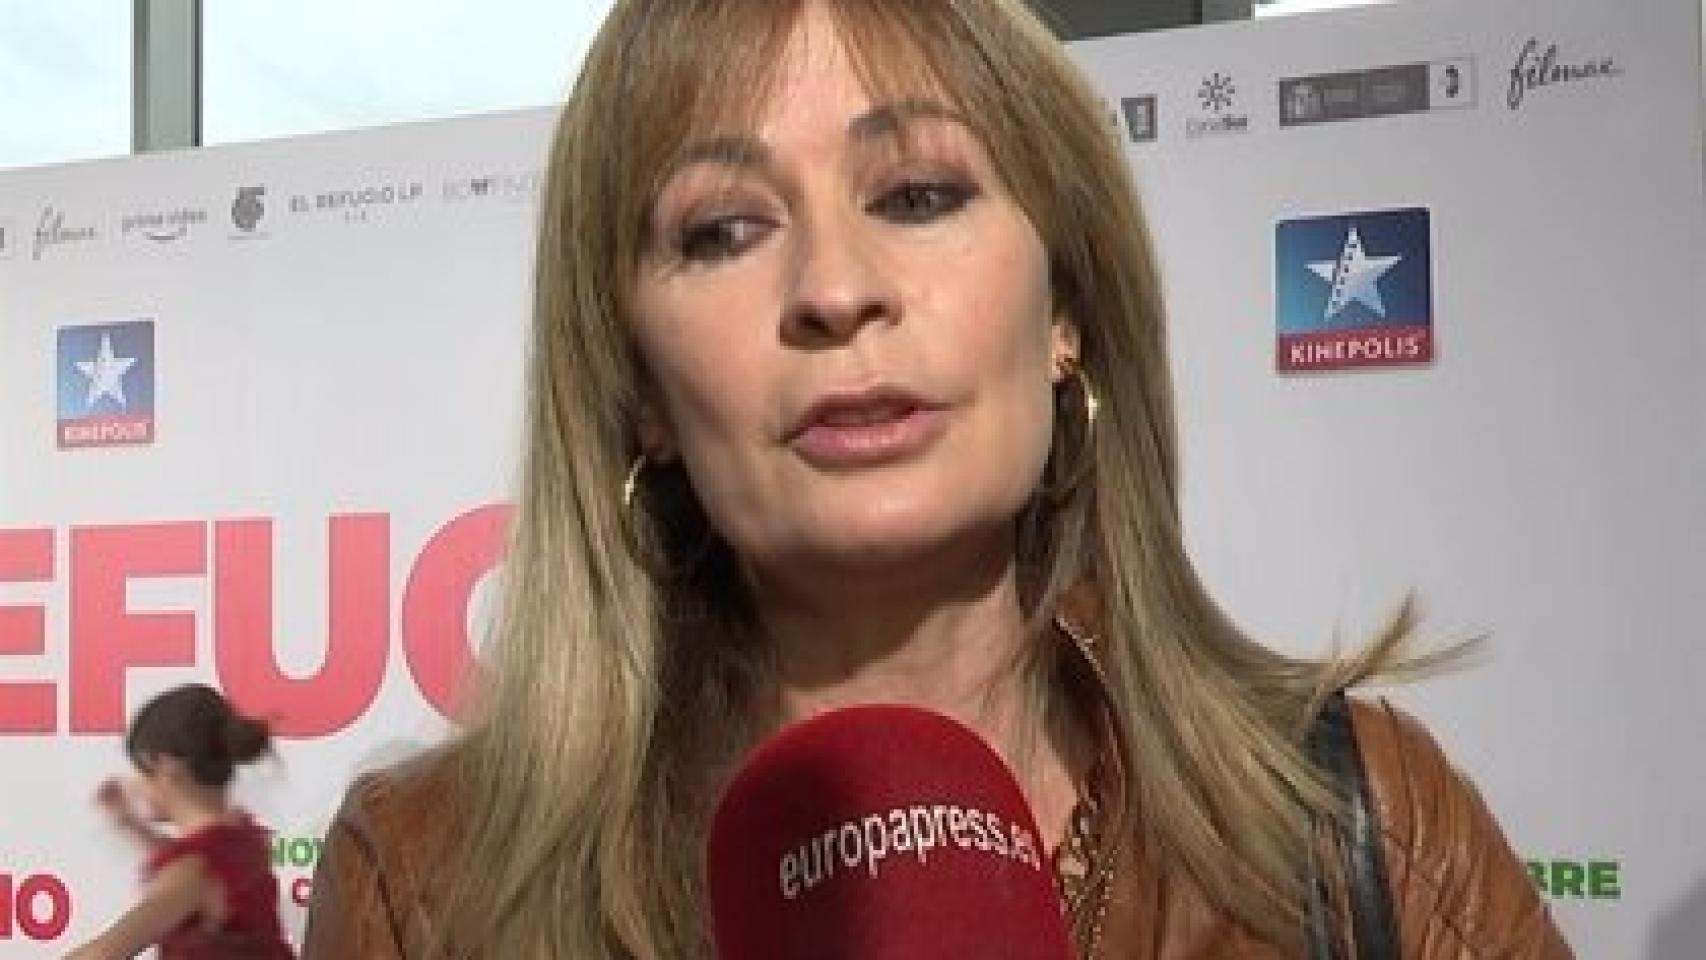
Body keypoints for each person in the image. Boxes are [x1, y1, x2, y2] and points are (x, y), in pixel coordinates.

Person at [303, 0, 1572, 956]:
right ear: (639, 390)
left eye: (916, 194)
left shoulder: (1356, 824)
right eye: (724, 228)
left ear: (1064, 311)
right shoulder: (429, 887)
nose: (834, 289)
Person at [65, 684, 296, 960]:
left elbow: (102, 953)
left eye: (141, 771)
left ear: (165, 766)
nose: (136, 784)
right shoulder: (242, 839)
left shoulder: (192, 872)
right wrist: (131, 825)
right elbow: (194, 864)